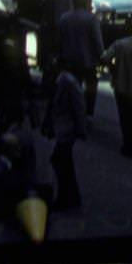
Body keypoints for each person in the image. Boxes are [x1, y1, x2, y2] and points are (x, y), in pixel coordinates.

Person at [49, 62, 88, 211]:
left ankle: (66, 197)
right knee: (63, 162)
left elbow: (79, 107)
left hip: (67, 129)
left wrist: (81, 129)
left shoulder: (67, 82)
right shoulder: (62, 80)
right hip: (64, 128)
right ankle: (70, 196)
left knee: (60, 161)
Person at [57, 0, 105, 114]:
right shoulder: (91, 19)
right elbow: (97, 42)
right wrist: (101, 57)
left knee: (73, 87)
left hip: (69, 59)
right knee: (91, 86)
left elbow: (60, 40)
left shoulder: (64, 18)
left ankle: (75, 109)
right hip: (88, 60)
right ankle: (89, 111)